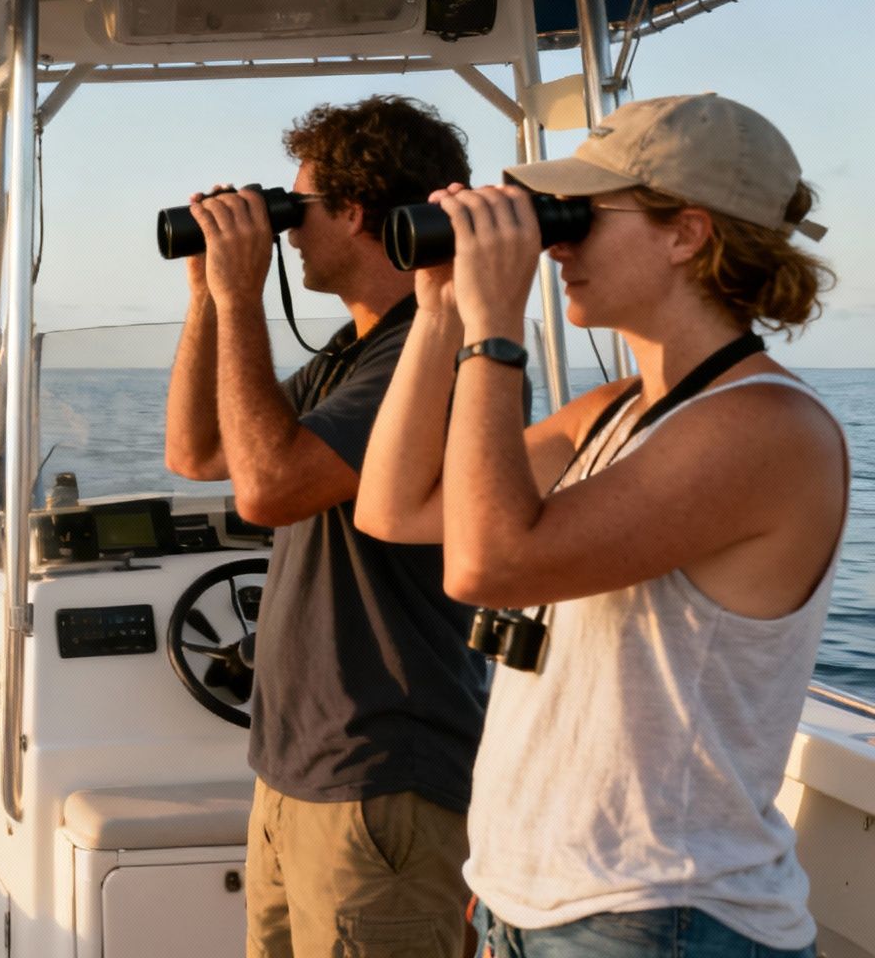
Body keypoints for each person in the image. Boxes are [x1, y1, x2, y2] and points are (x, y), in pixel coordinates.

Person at [355, 92, 845, 958]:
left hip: (657, 917)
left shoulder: (765, 428)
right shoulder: (620, 410)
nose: (559, 244)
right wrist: (440, 312)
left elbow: (487, 565)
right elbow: (393, 508)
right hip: (536, 904)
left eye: (579, 215)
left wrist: (498, 325)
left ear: (687, 233)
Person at [163, 95, 489, 958]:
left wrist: (242, 298)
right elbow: (198, 453)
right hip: (304, 772)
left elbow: (267, 491)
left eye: (298, 209)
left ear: (355, 211)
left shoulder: (424, 350)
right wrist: (207, 295)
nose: (288, 233)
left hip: (381, 778)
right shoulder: (356, 353)